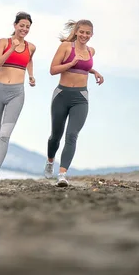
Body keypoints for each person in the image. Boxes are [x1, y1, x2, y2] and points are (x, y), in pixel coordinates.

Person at [44, 19, 104, 187]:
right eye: (82, 32)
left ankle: (62, 174)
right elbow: (53, 70)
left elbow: (83, 66)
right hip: (62, 95)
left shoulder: (91, 51)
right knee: (56, 136)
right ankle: (50, 162)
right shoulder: (65, 47)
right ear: (76, 31)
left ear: (91, 35)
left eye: (88, 33)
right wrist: (70, 63)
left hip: (81, 98)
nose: (84, 35)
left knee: (72, 135)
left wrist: (94, 71)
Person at [0, 11, 36, 189]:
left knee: (5, 135)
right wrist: (12, 49)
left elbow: (29, 60)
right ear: (15, 25)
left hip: (17, 93)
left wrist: (31, 75)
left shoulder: (31, 47)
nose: (24, 29)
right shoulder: (3, 42)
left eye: (28, 27)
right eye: (22, 25)